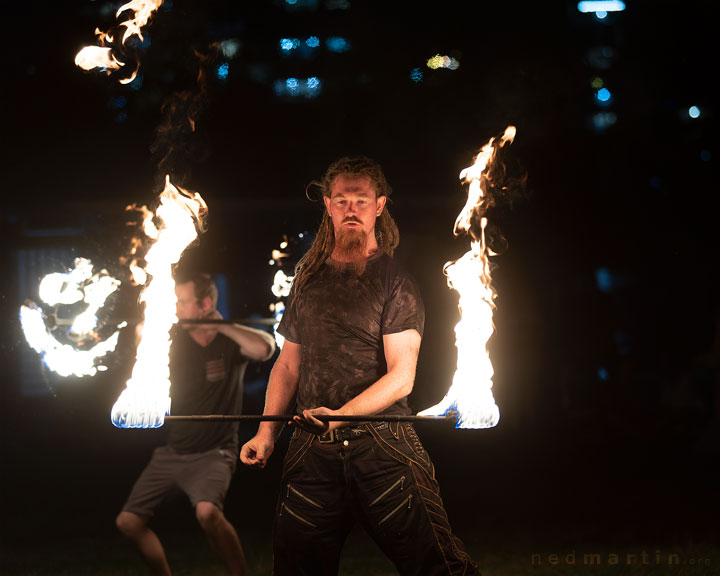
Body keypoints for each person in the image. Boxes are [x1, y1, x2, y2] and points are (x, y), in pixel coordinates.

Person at [240, 156, 479, 575]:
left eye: (362, 201)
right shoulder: (308, 280)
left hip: (384, 449)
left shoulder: (395, 282)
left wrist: (339, 417)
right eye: (342, 200)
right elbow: (287, 367)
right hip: (312, 453)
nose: (352, 209)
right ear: (329, 207)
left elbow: (401, 378)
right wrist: (266, 434)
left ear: (379, 206)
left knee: (439, 568)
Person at [116, 272, 276, 576]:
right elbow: (140, 334)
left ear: (204, 303)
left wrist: (221, 324)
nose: (175, 307)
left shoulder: (228, 342)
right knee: (128, 522)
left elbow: (265, 348)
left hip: (215, 453)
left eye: (182, 301)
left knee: (207, 512)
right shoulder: (171, 340)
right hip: (173, 452)